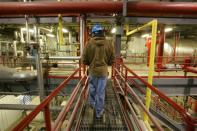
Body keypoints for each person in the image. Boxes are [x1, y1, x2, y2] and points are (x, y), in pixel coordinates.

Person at [82, 24, 115, 118]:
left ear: (93, 33)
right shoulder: (109, 44)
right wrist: (105, 64)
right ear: (102, 33)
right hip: (103, 73)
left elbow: (84, 60)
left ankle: (92, 104)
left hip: (92, 71)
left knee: (92, 88)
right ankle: (99, 112)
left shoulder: (88, 44)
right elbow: (112, 60)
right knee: (100, 92)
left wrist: (91, 63)